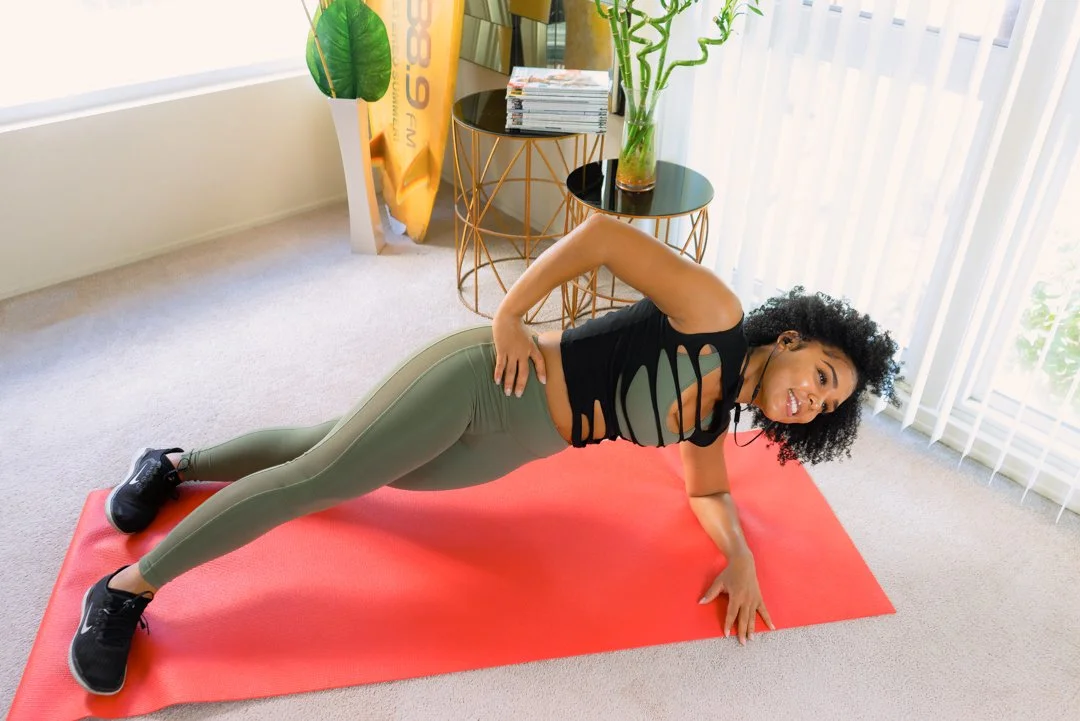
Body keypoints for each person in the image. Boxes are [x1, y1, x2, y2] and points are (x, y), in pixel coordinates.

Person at [68, 213, 900, 695]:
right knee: (319, 480)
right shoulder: (716, 312)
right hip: (483, 380)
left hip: (507, 449)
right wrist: (512, 312)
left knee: (329, 454)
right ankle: (123, 589)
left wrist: (742, 554)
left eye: (826, 403)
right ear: (792, 338)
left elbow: (709, 492)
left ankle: (173, 463)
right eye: (821, 374)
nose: (813, 397)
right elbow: (605, 233)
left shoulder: (716, 415)